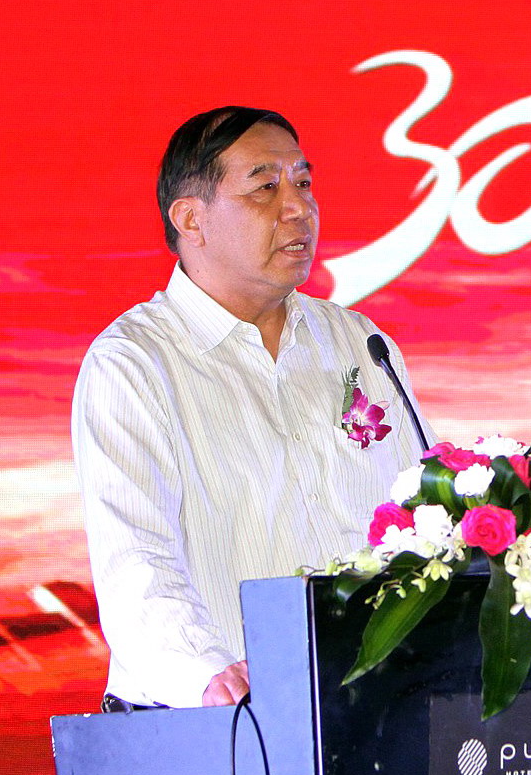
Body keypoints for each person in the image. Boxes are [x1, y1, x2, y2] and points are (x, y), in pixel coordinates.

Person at [72, 106, 432, 711]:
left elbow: (421, 518)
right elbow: (134, 561)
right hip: (211, 719)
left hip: (363, 707)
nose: (298, 208)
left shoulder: (359, 343)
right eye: (265, 187)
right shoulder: (135, 364)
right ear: (191, 219)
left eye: (303, 183)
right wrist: (209, 676)